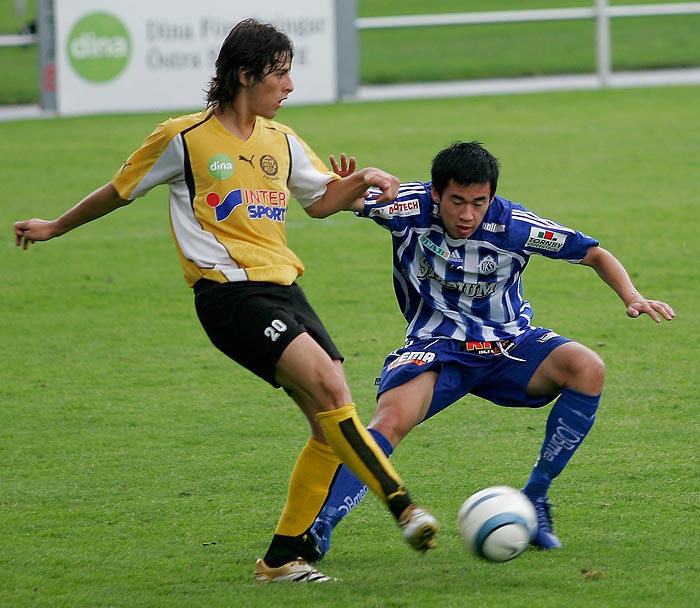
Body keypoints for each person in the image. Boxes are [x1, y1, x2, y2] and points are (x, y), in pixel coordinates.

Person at [13, 18, 438, 583]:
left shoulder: (281, 141)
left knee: (327, 425)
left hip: (284, 288)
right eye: (281, 74)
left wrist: (361, 182)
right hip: (227, 296)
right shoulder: (183, 139)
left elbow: (319, 201)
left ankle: (281, 559)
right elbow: (118, 191)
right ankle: (404, 506)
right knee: (334, 390)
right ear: (245, 75)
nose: (289, 87)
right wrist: (55, 226)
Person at [300, 141, 675, 562]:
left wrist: (632, 295)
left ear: (491, 197)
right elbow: (328, 203)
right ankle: (321, 525)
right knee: (388, 422)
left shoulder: (515, 225)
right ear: (436, 193)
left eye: (479, 203)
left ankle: (535, 497)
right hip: (436, 347)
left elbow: (593, 253)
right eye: (456, 201)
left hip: (509, 346)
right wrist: (354, 184)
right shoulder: (405, 207)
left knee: (588, 367)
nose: (467, 214)